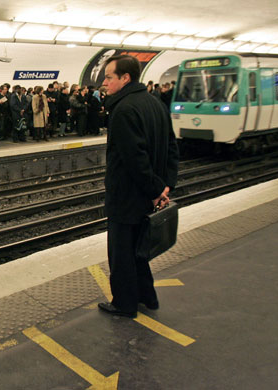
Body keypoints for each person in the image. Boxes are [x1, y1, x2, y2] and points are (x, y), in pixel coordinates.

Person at [97, 54, 179, 318]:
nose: (105, 83)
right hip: (147, 195)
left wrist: (156, 189)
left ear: (125, 78)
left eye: (109, 77)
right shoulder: (155, 104)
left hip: (127, 197)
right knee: (139, 251)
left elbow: (135, 159)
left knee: (122, 254)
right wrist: (165, 186)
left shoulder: (123, 110)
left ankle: (124, 303)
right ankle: (147, 297)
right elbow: (171, 149)